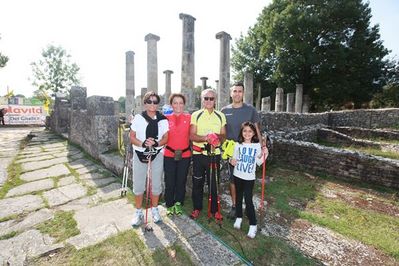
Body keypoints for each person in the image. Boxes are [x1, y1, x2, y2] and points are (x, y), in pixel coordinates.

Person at [221, 82, 261, 219]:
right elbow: (222, 132)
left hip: (249, 149)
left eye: (240, 91)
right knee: (233, 180)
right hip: (232, 150)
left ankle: (246, 203)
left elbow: (257, 130)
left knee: (247, 179)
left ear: (243, 93)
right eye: (235, 91)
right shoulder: (224, 111)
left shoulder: (251, 110)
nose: (237, 93)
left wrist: (261, 147)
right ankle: (234, 206)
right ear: (231, 93)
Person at [130, 91, 169, 226]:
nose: (153, 104)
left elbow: (166, 138)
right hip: (140, 153)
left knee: (156, 183)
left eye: (155, 101)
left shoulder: (163, 119)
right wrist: (143, 144)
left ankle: (154, 209)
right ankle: (138, 211)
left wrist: (156, 144)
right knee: (139, 183)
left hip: (157, 153)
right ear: (145, 103)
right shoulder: (138, 118)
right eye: (149, 101)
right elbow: (132, 137)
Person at [190, 88, 226, 219]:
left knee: (213, 183)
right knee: (197, 182)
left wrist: (217, 139)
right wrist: (206, 138)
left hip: (213, 154)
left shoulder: (220, 115)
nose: (209, 101)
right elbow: (192, 135)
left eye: (211, 98)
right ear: (202, 99)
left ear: (215, 100)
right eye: (206, 98)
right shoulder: (196, 115)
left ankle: (215, 210)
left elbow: (224, 135)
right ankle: (197, 208)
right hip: (199, 154)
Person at [229, 121, 267, 238]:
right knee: (238, 198)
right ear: (242, 132)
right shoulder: (237, 145)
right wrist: (231, 160)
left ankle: (253, 224)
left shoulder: (256, 146)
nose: (247, 133)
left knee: (248, 200)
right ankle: (239, 218)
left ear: (254, 133)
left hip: (249, 178)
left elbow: (259, 162)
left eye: (250, 131)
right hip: (237, 175)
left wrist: (265, 153)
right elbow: (233, 159)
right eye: (244, 131)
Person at [163, 93, 191, 216]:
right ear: (171, 104)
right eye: (175, 102)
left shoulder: (190, 118)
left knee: (181, 180)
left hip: (185, 155)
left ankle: (178, 203)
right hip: (169, 154)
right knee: (169, 181)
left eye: (181, 102)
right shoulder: (165, 118)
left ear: (184, 104)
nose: (178, 105)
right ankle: (169, 204)